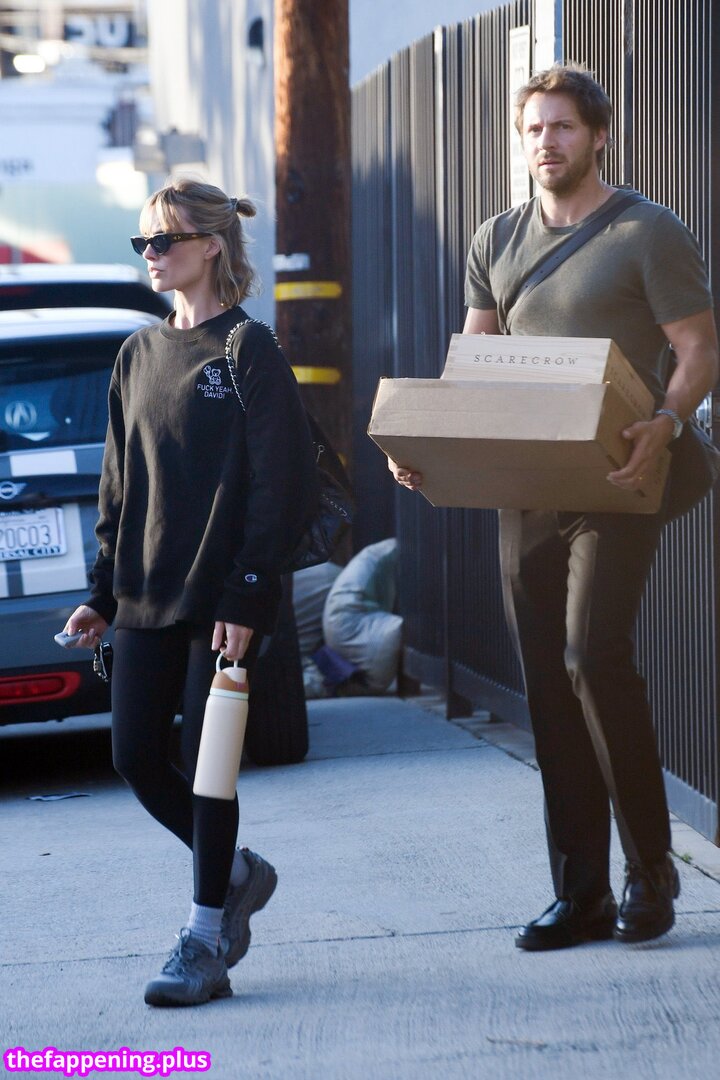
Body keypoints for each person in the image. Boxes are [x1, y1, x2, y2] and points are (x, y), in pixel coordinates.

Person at [389, 64, 718, 950]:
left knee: (591, 657)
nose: (547, 142)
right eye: (535, 128)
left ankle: (650, 873)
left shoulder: (648, 231)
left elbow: (698, 349)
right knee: (546, 679)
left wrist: (665, 420)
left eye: (564, 126)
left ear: (598, 136)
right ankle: (580, 895)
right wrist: (429, 445)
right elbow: (475, 363)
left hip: (617, 475)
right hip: (527, 486)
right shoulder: (495, 238)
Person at [60, 177, 318, 1004]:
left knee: (211, 772)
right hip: (144, 592)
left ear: (210, 245)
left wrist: (249, 594)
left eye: (164, 240)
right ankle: (237, 874)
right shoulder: (136, 354)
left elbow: (283, 484)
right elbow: (118, 486)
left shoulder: (248, 348)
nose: (151, 254)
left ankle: (205, 940)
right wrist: (102, 593)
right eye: (143, 241)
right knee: (134, 755)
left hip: (221, 600)